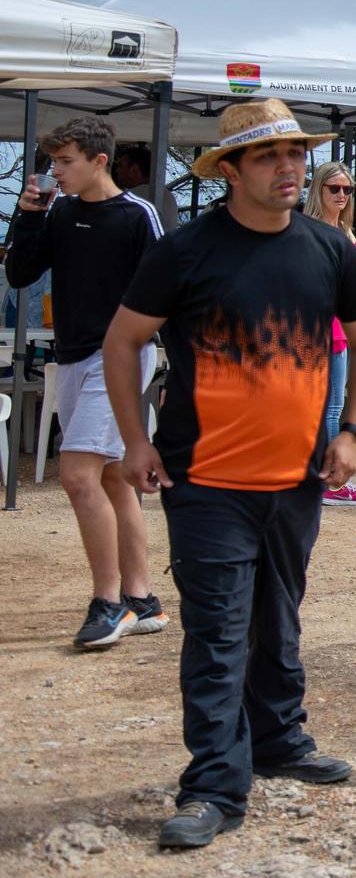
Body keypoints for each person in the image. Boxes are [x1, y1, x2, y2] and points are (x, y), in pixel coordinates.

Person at [101, 98, 356, 850]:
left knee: (278, 615)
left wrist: (351, 430)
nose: (289, 167)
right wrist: (134, 441)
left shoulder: (329, 250)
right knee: (220, 631)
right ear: (229, 170)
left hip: (296, 477)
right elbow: (123, 341)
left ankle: (279, 740)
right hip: (207, 481)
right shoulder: (186, 250)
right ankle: (213, 786)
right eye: (268, 156)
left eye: (295, 153)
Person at [6, 116, 166, 649]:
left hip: (120, 356)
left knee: (76, 475)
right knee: (112, 478)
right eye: (52, 162)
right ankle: (141, 599)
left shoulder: (137, 214)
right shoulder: (60, 211)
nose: (56, 171)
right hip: (72, 355)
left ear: (100, 160)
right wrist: (27, 215)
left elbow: (171, 291)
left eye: (65, 161)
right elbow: (20, 274)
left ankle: (108, 602)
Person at [303, 162, 356, 507]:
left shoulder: (341, 229)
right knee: (329, 409)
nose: (341, 195)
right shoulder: (319, 229)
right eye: (333, 188)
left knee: (331, 407)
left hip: (340, 332)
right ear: (318, 190)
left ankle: (324, 480)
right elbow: (342, 272)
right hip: (322, 332)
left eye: (347, 190)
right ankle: (330, 482)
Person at [112, 142, 179, 233]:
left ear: (134, 169)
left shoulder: (131, 196)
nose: (117, 170)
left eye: (121, 166)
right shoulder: (167, 195)